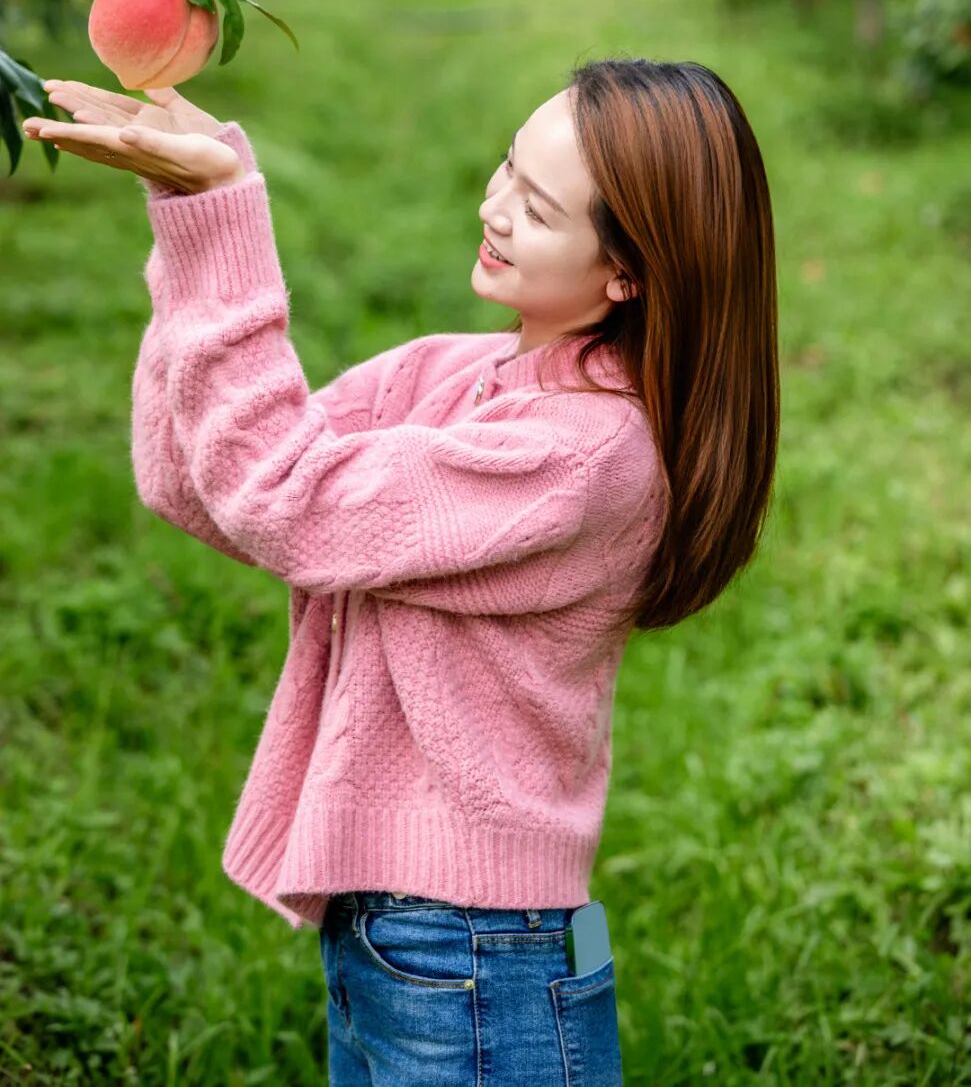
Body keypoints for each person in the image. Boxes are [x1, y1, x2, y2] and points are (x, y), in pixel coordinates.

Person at [24, 56, 780, 1086]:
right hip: (400, 936)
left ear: (628, 273)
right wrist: (190, 218)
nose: (495, 208)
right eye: (506, 169)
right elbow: (201, 480)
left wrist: (224, 214)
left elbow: (281, 495)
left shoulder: (579, 454)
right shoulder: (447, 375)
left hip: (474, 955)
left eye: (538, 208)